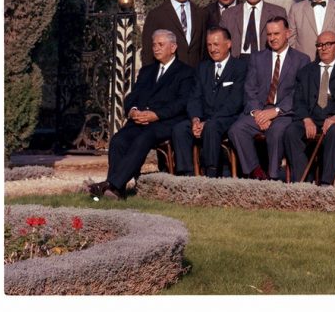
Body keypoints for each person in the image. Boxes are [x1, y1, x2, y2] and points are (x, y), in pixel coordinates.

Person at [89, 30, 194, 200]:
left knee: (144, 138)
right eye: (154, 45)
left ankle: (111, 184)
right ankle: (117, 190)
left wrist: (156, 115)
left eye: (161, 45)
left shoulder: (185, 72)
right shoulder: (147, 71)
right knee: (118, 140)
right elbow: (133, 96)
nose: (156, 48)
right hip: (140, 121)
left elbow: (182, 103)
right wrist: (132, 111)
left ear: (173, 47)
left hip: (165, 122)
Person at [228, 16, 311, 180]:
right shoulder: (257, 58)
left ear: (287, 33)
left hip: (285, 113)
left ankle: (273, 177)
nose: (272, 38)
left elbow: (298, 93)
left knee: (276, 132)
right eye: (269, 34)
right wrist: (257, 113)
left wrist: (275, 112)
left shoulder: (301, 60)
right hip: (260, 110)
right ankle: (257, 172)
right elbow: (250, 88)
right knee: (236, 130)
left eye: (276, 34)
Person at [284, 30, 335, 185]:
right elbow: (298, 100)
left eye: (328, 44)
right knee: (291, 131)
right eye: (319, 45)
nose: (323, 48)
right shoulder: (306, 71)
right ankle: (303, 182)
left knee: (334, 132)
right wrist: (306, 119)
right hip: (312, 117)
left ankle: (326, 182)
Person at [172, 26, 247, 177]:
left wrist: (207, 122)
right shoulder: (202, 67)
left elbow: (235, 102)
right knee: (180, 129)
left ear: (228, 44)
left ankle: (211, 175)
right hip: (203, 118)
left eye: (216, 44)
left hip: (227, 118)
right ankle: (187, 175)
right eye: (209, 45)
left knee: (211, 127)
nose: (212, 49)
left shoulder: (240, 67)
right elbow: (194, 97)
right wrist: (195, 119)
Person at [141, 0, 206, 67]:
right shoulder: (156, 15)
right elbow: (148, 53)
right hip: (169, 75)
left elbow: (202, 50)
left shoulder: (200, 13)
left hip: (195, 73)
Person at [220, 0, 287, 58]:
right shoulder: (228, 15)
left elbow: (284, 42)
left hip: (266, 59)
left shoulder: (278, 12)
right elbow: (222, 43)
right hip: (237, 60)